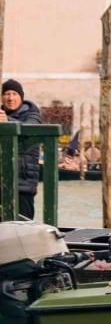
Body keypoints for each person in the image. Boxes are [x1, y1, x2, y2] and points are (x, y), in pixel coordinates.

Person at [0, 79, 44, 219]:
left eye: (14, 94)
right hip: (2, 181)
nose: (10, 98)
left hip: (23, 182)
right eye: (7, 94)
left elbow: (29, 130)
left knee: (23, 223)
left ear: (21, 97)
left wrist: (7, 122)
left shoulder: (33, 114)